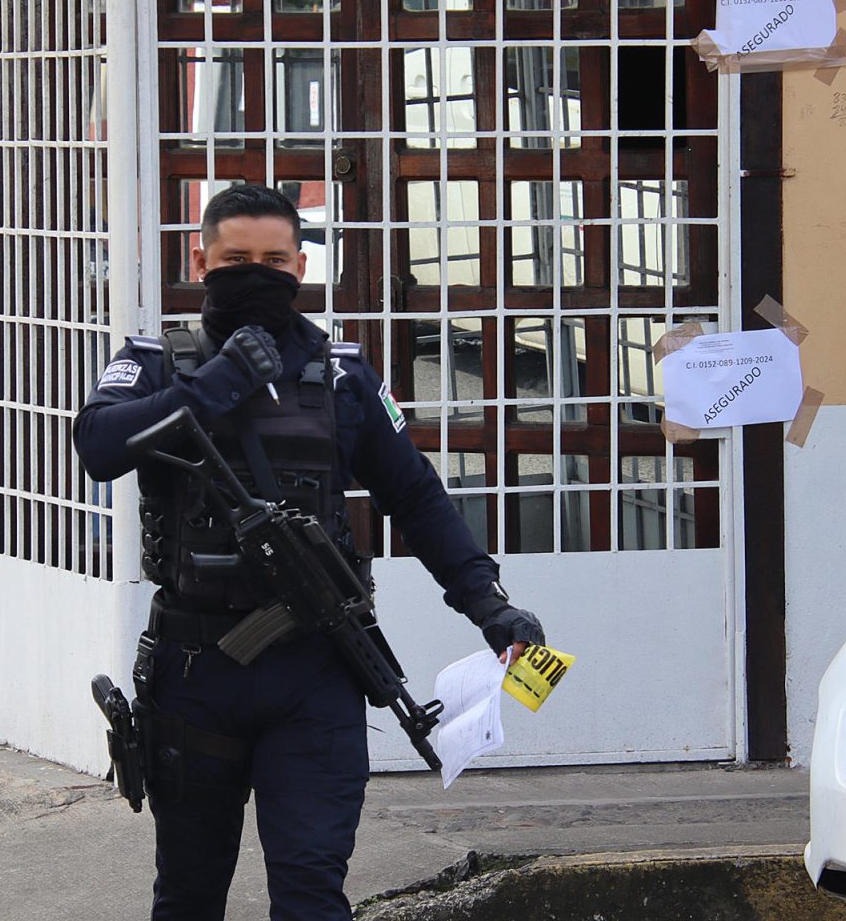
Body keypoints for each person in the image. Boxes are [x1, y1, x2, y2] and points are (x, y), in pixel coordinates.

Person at [72, 184, 545, 921]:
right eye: (236, 258)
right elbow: (98, 447)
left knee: (311, 890)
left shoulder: (344, 376)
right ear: (201, 261)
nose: (256, 272)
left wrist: (487, 602)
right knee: (190, 894)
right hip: (195, 672)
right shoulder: (157, 361)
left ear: (300, 265)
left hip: (314, 672)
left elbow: (416, 499)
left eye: (273, 258)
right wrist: (212, 388)